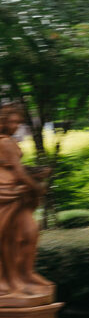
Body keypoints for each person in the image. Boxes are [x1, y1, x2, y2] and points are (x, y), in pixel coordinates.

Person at [0, 102, 52, 297]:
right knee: (7, 239)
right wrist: (37, 187)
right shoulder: (4, 142)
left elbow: (15, 168)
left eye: (19, 123)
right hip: (7, 193)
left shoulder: (8, 141)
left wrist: (36, 173)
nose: (16, 126)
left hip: (17, 192)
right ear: (4, 121)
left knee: (29, 233)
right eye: (13, 122)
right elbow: (19, 172)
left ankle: (26, 273)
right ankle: (12, 279)